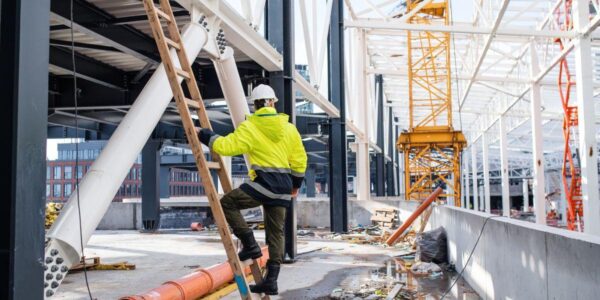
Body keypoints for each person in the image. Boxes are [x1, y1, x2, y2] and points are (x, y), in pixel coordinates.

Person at [197, 84, 307, 295]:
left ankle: (249, 244)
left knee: (227, 203)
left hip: (264, 184)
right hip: (284, 187)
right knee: (276, 234)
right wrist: (295, 185)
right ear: (273, 102)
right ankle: (271, 281)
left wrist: (205, 135)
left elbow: (225, 147)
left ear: (255, 105)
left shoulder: (251, 127)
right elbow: (300, 159)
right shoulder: (289, 128)